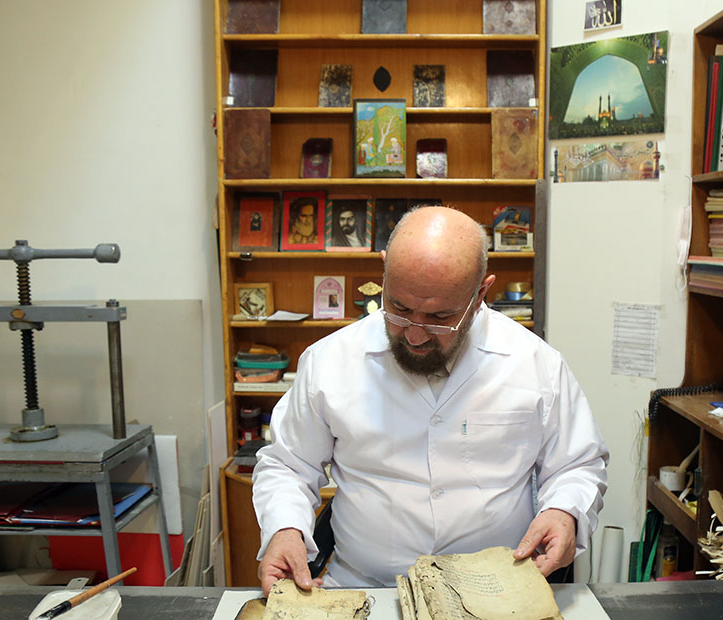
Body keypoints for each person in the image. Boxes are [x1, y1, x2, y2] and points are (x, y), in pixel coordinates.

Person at [253, 206, 608, 593]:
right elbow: (289, 465)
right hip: (366, 588)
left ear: (480, 293)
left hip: (498, 593)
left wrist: (565, 511)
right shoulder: (331, 361)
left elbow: (578, 463)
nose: (416, 335)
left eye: (440, 317)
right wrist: (284, 528)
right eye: (400, 309)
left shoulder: (535, 364)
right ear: (384, 273)